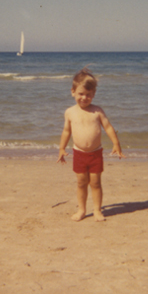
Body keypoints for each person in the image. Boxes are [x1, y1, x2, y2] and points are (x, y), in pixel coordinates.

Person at [57, 68, 125, 221]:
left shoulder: (97, 111)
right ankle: (81, 210)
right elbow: (66, 131)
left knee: (95, 183)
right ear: (73, 92)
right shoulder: (70, 112)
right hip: (79, 153)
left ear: (94, 94)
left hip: (95, 153)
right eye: (81, 94)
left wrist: (116, 144)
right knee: (81, 183)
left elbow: (108, 127)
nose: (84, 98)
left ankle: (97, 210)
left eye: (88, 95)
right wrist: (61, 148)